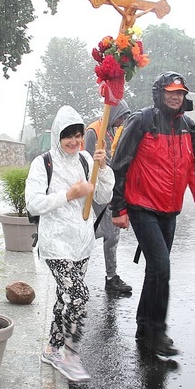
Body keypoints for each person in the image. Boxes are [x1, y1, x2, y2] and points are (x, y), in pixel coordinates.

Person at [110, 72, 195, 360]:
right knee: (161, 267)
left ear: (184, 96)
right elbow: (120, 164)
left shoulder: (188, 127)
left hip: (170, 211)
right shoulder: (142, 120)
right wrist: (118, 208)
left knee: (156, 270)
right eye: (170, 91)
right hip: (142, 206)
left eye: (179, 92)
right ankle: (157, 332)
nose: (175, 96)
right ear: (159, 93)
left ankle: (144, 329)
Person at [25, 105, 114, 383]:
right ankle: (69, 355)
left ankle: (52, 348)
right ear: (58, 136)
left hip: (82, 243)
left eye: (78, 135)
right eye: (68, 136)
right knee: (77, 295)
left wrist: (103, 166)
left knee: (65, 298)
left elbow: (103, 194)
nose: (74, 141)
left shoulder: (86, 159)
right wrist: (69, 193)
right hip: (55, 244)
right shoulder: (44, 163)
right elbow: (34, 203)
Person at [83, 99, 132, 294]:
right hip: (94, 187)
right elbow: (87, 162)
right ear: (112, 114)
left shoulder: (112, 130)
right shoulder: (94, 131)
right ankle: (111, 278)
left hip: (109, 185)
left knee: (109, 231)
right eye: (120, 116)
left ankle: (78, 238)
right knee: (111, 232)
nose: (121, 121)